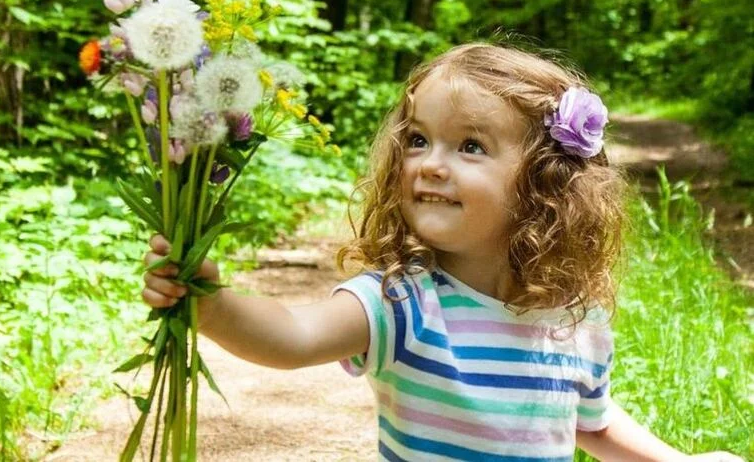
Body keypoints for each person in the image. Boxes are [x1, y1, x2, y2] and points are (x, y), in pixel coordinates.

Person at [141, 43, 743, 461]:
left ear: (545, 183)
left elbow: (595, 423)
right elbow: (295, 334)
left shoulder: (572, 320)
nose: (430, 163)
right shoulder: (402, 300)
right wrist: (213, 308)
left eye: (471, 146)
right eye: (420, 140)